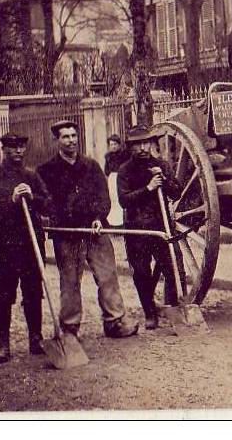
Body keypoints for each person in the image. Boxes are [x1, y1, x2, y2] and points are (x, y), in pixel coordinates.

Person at [37, 120, 139, 340]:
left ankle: (114, 322)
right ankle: (70, 329)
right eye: (65, 137)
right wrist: (60, 217)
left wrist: (98, 218)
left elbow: (103, 196)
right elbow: (44, 203)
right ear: (56, 140)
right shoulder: (46, 171)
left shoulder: (91, 166)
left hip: (94, 232)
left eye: (74, 136)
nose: (71, 140)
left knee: (107, 275)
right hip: (67, 234)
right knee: (70, 281)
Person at [0, 133, 51, 363]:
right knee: (4, 293)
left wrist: (33, 197)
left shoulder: (31, 176)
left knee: (33, 291)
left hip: (30, 243)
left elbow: (48, 205)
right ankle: (2, 344)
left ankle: (36, 339)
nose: (18, 151)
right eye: (13, 147)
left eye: (21, 147)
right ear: (4, 150)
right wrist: (11, 201)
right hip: (4, 245)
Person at [116, 125, 182, 330]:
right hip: (137, 230)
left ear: (151, 144)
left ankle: (172, 307)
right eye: (137, 145)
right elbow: (124, 200)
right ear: (131, 147)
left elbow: (177, 192)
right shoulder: (125, 171)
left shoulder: (160, 165)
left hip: (161, 227)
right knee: (142, 272)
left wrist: (165, 180)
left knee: (172, 267)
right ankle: (149, 312)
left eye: (145, 143)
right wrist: (148, 188)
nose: (143, 148)